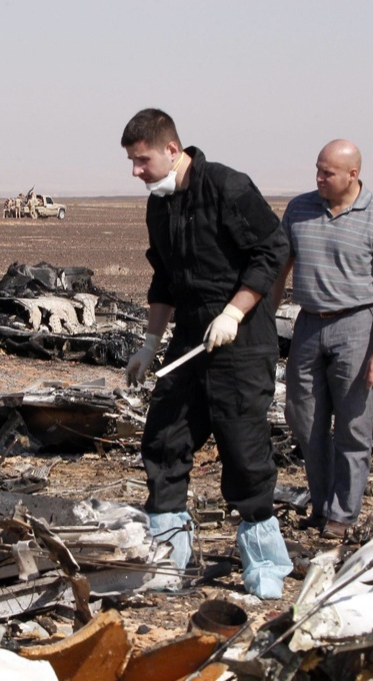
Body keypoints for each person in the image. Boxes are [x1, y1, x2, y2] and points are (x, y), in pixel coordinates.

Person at [121, 108, 292, 598]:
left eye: (142, 160)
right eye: (132, 163)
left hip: (240, 339)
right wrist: (151, 343)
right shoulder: (159, 204)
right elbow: (164, 277)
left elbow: (271, 250)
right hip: (190, 339)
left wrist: (236, 312)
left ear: (172, 151)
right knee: (164, 439)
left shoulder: (226, 186)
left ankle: (264, 563)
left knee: (244, 450)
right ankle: (169, 556)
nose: (136, 171)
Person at [271, 139, 373, 540]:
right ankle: (321, 505)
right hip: (308, 324)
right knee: (305, 420)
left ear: (353, 174)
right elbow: (281, 269)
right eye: (317, 170)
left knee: (352, 425)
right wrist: (265, 318)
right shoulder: (299, 209)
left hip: (358, 326)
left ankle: (343, 515)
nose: (318, 178)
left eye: (327, 173)